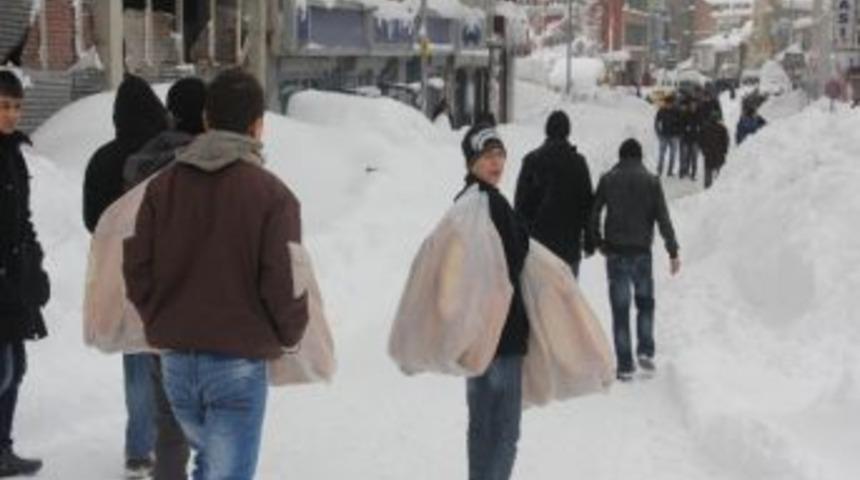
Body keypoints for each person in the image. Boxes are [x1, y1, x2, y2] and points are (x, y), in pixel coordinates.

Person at [123, 68, 309, 480]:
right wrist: (289, 334)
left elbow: (136, 266)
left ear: (206, 120)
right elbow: (285, 281)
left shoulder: (160, 188)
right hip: (237, 367)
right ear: (258, 126)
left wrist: (159, 318)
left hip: (175, 366)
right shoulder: (274, 197)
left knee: (208, 465)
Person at [82, 74, 168, 478]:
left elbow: (89, 218)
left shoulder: (102, 158)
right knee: (169, 355)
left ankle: (138, 450)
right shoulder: (164, 152)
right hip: (163, 268)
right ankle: (172, 441)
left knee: (135, 357)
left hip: (119, 270)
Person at [122, 77, 207, 480]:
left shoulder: (141, 163)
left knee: (167, 419)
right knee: (215, 419)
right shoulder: (214, 166)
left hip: (157, 306)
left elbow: (128, 239)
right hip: (208, 311)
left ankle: (149, 455)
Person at [459, 123, 530, 480]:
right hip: (503, 336)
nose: (497, 162)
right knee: (504, 431)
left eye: (501, 154)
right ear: (472, 160)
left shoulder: (462, 202)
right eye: (488, 155)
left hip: (474, 334)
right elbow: (511, 262)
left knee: (480, 427)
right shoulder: (493, 204)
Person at [589, 139, 680, 382]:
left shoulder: (608, 179)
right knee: (645, 304)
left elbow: (594, 213)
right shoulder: (651, 181)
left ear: (620, 157)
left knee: (620, 310)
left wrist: (598, 242)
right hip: (642, 253)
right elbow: (663, 218)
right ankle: (646, 351)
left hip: (616, 252)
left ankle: (626, 365)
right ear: (639, 157)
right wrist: (673, 250)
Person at [0, 70, 49, 477]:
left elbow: (23, 220)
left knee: (16, 368)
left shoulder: (13, 154)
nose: (12, 115)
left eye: (17, 107)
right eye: (4, 106)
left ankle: (3, 448)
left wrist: (35, 264)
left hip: (14, 283)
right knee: (3, 370)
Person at [515, 110, 594, 277]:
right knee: (567, 300)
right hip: (569, 249)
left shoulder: (531, 161)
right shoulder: (578, 163)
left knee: (539, 301)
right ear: (568, 131)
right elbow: (588, 206)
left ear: (547, 130)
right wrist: (590, 240)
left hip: (537, 249)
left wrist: (519, 241)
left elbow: (520, 206)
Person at [698, 111, 730, 189]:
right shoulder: (722, 128)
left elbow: (700, 140)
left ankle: (707, 187)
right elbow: (726, 141)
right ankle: (720, 186)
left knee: (708, 171)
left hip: (709, 153)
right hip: (718, 153)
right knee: (720, 171)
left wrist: (703, 150)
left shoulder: (704, 128)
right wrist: (724, 150)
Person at [654, 96, 681, 177]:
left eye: (669, 103)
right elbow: (656, 123)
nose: (668, 105)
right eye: (666, 103)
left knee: (673, 155)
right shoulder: (661, 111)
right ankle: (659, 171)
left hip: (674, 136)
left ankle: (670, 171)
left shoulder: (677, 111)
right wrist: (658, 133)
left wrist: (678, 134)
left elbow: (681, 123)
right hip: (664, 136)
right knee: (661, 154)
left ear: (672, 104)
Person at [679, 98, 700, 180]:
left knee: (694, 157)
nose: (693, 106)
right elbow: (681, 126)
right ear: (689, 106)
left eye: (694, 105)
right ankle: (684, 171)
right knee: (685, 157)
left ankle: (693, 173)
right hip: (686, 139)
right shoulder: (685, 114)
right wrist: (685, 128)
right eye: (691, 105)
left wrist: (699, 129)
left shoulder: (699, 114)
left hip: (695, 139)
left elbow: (702, 125)